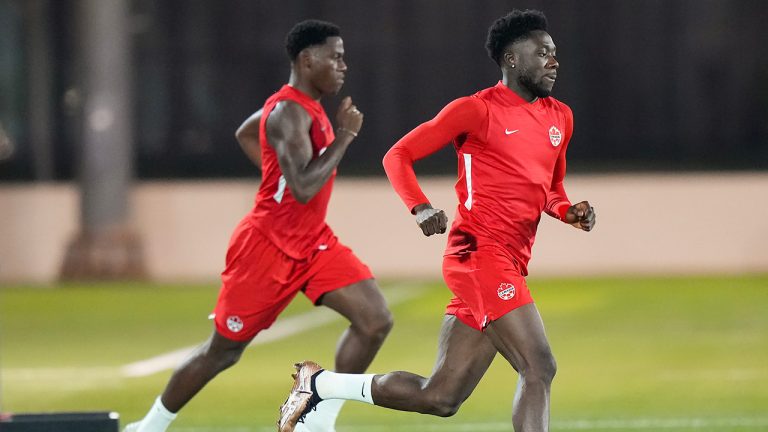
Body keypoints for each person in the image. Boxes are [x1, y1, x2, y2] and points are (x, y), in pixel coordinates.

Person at [278, 10, 596, 432]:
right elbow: (398, 155)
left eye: (555, 54)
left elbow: (552, 190)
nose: (554, 62)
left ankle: (320, 385)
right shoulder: (476, 110)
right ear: (512, 59)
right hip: (478, 255)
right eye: (543, 53)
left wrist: (568, 211)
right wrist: (420, 206)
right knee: (539, 367)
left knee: (441, 397)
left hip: (511, 261)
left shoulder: (561, 117)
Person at [125, 19, 393, 432]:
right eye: (335, 57)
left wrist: (274, 176)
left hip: (313, 242)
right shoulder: (287, 113)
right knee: (223, 352)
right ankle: (150, 426)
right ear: (307, 60)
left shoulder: (302, 108)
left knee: (375, 321)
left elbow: (246, 133)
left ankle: (317, 419)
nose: (343, 66)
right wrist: (344, 137)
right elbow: (303, 187)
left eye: (344, 58)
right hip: (266, 247)